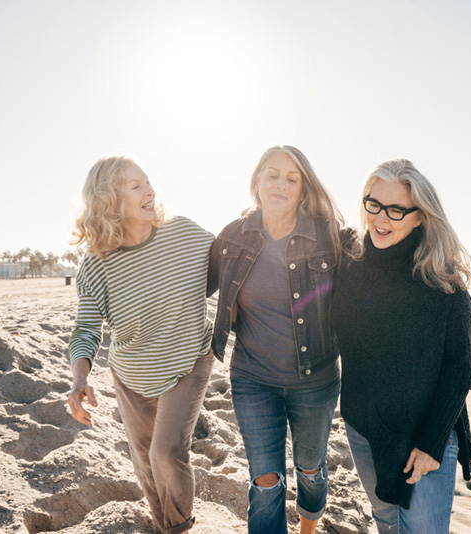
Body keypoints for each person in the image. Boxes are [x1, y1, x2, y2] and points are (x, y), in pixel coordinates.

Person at [67, 156, 215, 534]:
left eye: (148, 183)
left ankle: (179, 527)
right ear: (108, 200)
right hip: (131, 373)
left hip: (189, 359)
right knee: (145, 462)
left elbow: (231, 264)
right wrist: (79, 378)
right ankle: (163, 526)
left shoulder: (185, 234)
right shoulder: (98, 263)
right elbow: (86, 328)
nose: (149, 190)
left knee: (166, 453)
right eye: (135, 186)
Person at [330, 158, 471, 534]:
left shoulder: (443, 284)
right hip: (364, 425)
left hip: (425, 436)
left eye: (396, 209)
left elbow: (459, 371)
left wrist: (430, 446)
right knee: (386, 521)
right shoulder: (348, 260)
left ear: (420, 217)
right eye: (373, 204)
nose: (381, 218)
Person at [208, 146, 344, 534]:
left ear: (303, 189)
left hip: (315, 380)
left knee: (311, 469)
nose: (280, 184)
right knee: (265, 480)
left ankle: (307, 527)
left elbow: (365, 289)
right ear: (256, 182)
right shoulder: (234, 236)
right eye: (272, 175)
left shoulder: (327, 236)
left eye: (292, 178)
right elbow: (194, 285)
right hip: (253, 378)